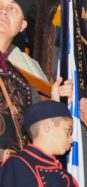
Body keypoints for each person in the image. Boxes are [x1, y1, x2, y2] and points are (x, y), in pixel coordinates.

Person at [0, 0, 73, 165]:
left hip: (14, 174)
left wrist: (55, 103)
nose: (3, 11)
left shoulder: (22, 82)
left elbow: (36, 132)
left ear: (22, 25)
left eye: (12, 8)